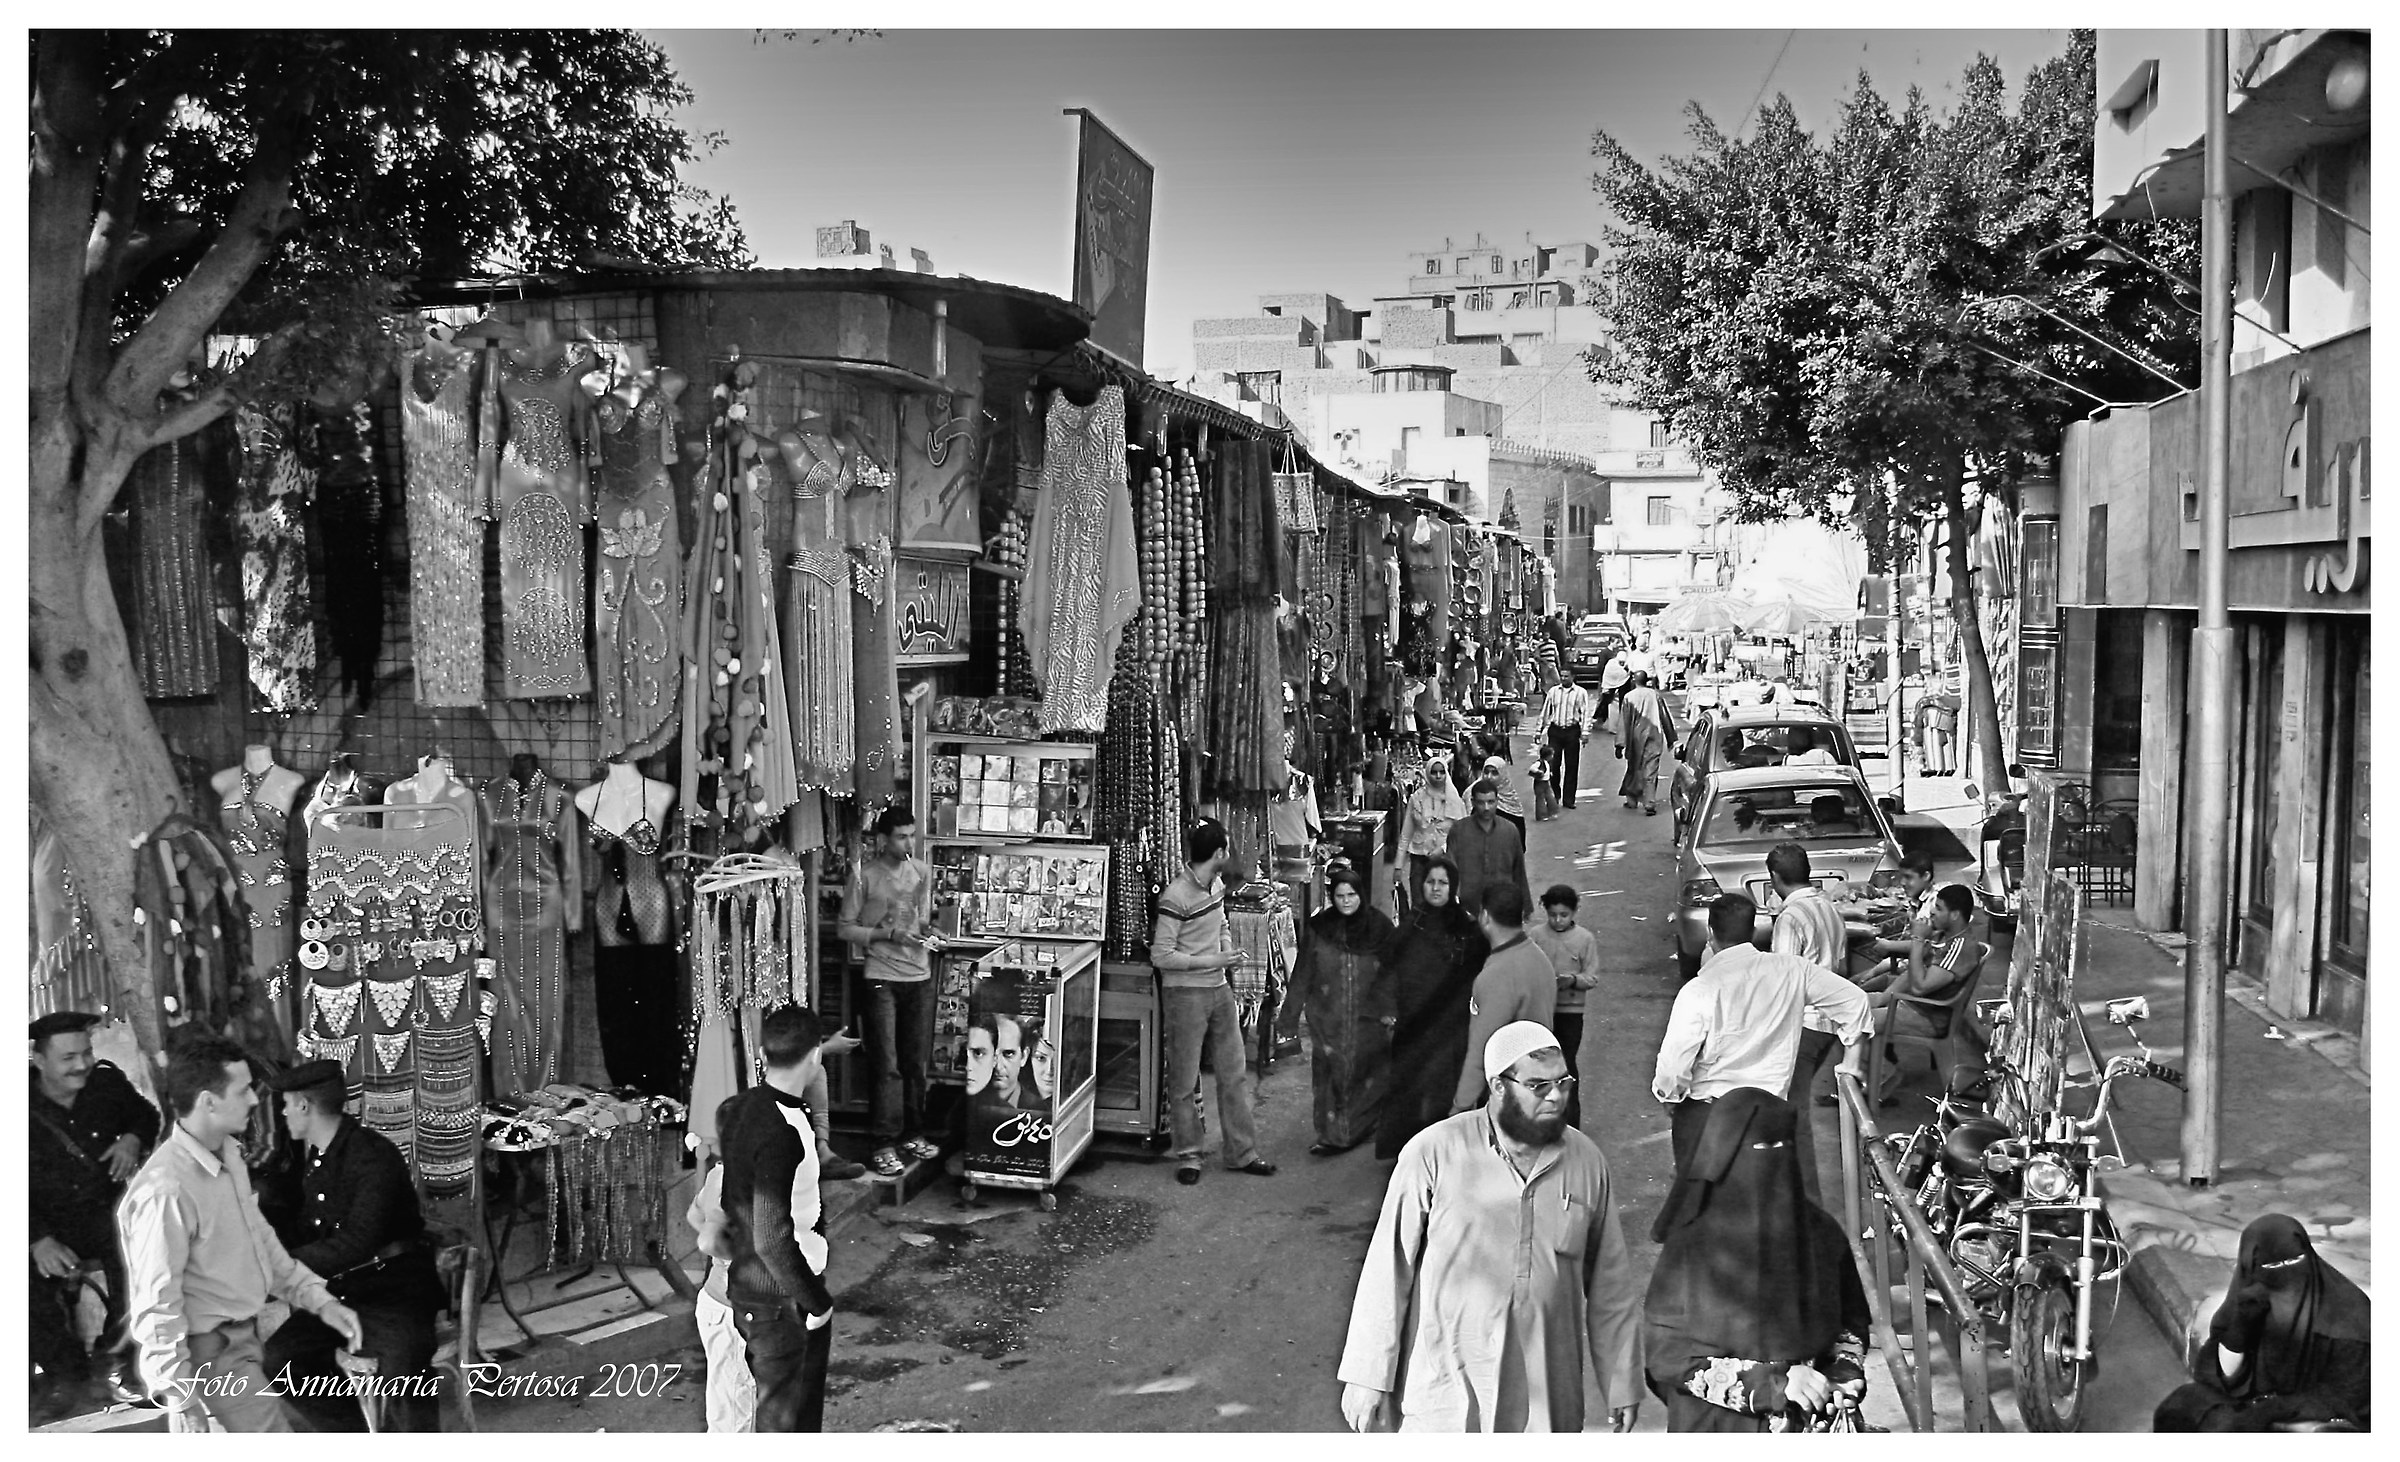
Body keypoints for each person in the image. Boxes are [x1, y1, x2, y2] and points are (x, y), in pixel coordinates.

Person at [1339, 1022, 1641, 1433]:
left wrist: (1621, 1382)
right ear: (1499, 1086)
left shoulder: (1586, 1161)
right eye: (1538, 1086)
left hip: (1546, 1394)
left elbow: (1611, 1285)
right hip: (1447, 1391)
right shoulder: (1434, 1153)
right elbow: (1388, 1267)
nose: (1556, 1096)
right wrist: (1367, 1375)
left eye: (1563, 1083)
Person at [118, 1031, 363, 1432]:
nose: (255, 1099)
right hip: (211, 1350)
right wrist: (180, 1397)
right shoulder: (166, 1190)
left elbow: (259, 1239)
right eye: (245, 1089)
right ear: (209, 1102)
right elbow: (156, 1302)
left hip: (243, 1339)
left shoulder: (228, 1151)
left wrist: (318, 1300)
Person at [1644, 1088, 1871, 1432]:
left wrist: (1843, 1371)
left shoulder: (1822, 1234)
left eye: (1784, 1148)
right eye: (1761, 1150)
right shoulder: (1691, 1248)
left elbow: (1849, 1324)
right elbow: (1667, 1356)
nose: (1774, 1162)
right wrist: (1770, 1385)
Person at [259, 1060, 446, 1432]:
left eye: (285, 1104)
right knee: (282, 1359)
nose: (281, 1113)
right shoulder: (315, 1158)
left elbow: (358, 1241)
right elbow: (306, 1227)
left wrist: (281, 1267)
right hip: (345, 1293)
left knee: (403, 1377)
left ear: (304, 1106)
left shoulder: (373, 1156)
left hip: (395, 1291)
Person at [1653, 894, 1871, 1173]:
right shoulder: (1793, 970)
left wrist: (1670, 1097)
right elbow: (1855, 1002)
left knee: (1698, 1206)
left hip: (1710, 1116)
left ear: (1710, 933)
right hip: (1769, 1116)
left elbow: (1674, 1066)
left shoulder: (1699, 989)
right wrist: (1851, 1061)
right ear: (1753, 932)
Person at [29, 1011, 157, 1416]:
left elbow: (146, 1115)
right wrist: (36, 1239)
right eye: (68, 1058)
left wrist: (133, 1139)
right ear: (39, 1059)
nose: (81, 1065)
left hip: (105, 1211)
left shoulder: (106, 1083)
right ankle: (62, 1375)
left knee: (143, 1261)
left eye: (85, 1053)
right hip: (41, 1218)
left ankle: (117, 1362)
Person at [716, 1005, 837, 1432]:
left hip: (749, 1288)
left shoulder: (736, 1109)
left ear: (762, 1054)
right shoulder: (783, 1132)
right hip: (783, 1300)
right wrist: (816, 1303)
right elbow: (772, 1237)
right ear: (815, 1057)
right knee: (789, 1429)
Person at [2153, 1213, 2371, 1432]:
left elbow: (2348, 1396)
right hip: (2256, 1406)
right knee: (2183, 1404)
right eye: (2272, 1266)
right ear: (2250, 1268)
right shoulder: (2250, 1301)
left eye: (2294, 1260)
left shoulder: (2349, 1313)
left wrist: (2272, 1411)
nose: (2286, 1272)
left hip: (2319, 1418)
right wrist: (2239, 1329)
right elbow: (2217, 1376)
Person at [1150, 820, 1276, 1186]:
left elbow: (1219, 921)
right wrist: (1214, 961)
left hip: (1218, 989)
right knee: (1185, 1080)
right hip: (1186, 993)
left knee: (1233, 1073)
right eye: (1227, 848)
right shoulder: (1176, 896)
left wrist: (1225, 951)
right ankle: (1189, 1154)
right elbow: (1162, 955)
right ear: (1218, 853)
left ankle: (1242, 1152)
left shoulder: (1216, 884)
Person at [837, 806, 944, 1179]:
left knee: (915, 1061)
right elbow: (845, 928)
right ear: (882, 839)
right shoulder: (864, 876)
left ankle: (913, 1132)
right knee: (887, 1063)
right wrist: (886, 935)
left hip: (919, 974)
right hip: (881, 974)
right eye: (901, 836)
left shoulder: (921, 872)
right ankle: (883, 1142)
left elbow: (923, 918)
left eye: (912, 835)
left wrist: (934, 933)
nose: (908, 843)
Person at [1377, 857, 1488, 1158]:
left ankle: (1447, 1154)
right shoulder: (1410, 926)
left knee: (1444, 1091)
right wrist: (1389, 1010)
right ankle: (1409, 1153)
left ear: (1453, 887)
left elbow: (1480, 973)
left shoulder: (1467, 929)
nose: (1435, 888)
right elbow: (1387, 970)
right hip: (1412, 1024)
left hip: (1451, 1028)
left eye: (1442, 883)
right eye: (1430, 882)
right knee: (1409, 1090)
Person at [1763, 844, 1850, 1201]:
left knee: (1793, 1114)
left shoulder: (1791, 917)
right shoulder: (1828, 907)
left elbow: (1783, 981)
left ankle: (1805, 1199)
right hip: (1828, 1022)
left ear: (1774, 878)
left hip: (1806, 1023)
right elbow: (1841, 968)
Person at [1300, 863, 1397, 1156]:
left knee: (1366, 1076)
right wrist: (1291, 1015)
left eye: (1351, 895)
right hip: (1328, 1018)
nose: (1345, 901)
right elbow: (1304, 971)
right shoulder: (1320, 928)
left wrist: (1390, 1009)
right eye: (1340, 896)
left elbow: (1393, 970)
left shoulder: (1379, 927)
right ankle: (1332, 1136)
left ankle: (1360, 1128)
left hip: (1368, 1018)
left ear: (1360, 895)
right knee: (1330, 1075)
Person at [1865, 884, 1984, 1103]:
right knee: (1852, 1005)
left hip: (1925, 1015)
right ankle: (1879, 1074)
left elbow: (1920, 986)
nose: (1931, 912)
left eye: (1938, 908)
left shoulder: (1961, 948)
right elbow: (1921, 958)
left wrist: (1919, 940)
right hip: (1912, 1003)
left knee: (1853, 1021)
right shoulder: (1946, 937)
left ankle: (1885, 1075)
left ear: (1955, 914)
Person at [1450, 884, 1557, 1114]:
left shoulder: (1495, 976)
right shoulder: (1540, 960)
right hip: (1541, 1088)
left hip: (1510, 1100)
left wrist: (1460, 1106)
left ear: (1485, 916)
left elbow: (1481, 1053)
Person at [685, 1143, 754, 1432]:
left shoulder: (719, 1174)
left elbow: (694, 1217)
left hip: (716, 1305)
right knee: (734, 1413)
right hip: (731, 1310)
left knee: (730, 1401)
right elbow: (709, 1240)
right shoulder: (749, 1183)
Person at [1529, 885, 1601, 1132]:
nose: (1558, 920)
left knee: (1566, 1066)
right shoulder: (1536, 936)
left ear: (1574, 912)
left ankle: (1571, 1126)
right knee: (1540, 1067)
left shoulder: (1585, 939)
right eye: (1553, 915)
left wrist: (1573, 980)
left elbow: (1591, 977)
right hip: (1543, 1012)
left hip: (1570, 1012)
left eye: (1564, 915)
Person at [1445, 778, 1531, 919]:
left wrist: (1525, 906)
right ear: (1473, 802)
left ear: (1497, 801)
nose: (1486, 808)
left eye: (1490, 802)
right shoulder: (1458, 830)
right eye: (1481, 802)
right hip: (1468, 909)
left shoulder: (1510, 830)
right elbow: (1450, 869)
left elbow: (1519, 871)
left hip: (1502, 907)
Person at [1394, 761, 1467, 912]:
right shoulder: (1417, 798)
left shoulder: (1455, 800)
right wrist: (1398, 866)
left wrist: (1442, 849)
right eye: (1434, 772)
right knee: (1419, 905)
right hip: (1419, 859)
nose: (1438, 776)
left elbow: (1462, 833)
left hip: (1447, 859)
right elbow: (1406, 835)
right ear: (1427, 773)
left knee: (1445, 903)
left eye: (1441, 772)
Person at [1617, 670, 1676, 817]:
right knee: (1651, 770)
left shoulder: (1629, 697)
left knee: (1634, 768)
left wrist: (1620, 744)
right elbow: (1664, 717)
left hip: (1635, 739)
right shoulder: (1655, 695)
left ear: (1634, 681)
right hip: (1654, 737)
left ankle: (1632, 800)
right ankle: (1649, 802)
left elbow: (1623, 722)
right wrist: (1671, 739)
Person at [1536, 672, 1594, 810]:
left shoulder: (1580, 693)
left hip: (1572, 731)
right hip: (1555, 731)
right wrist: (1539, 730)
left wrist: (1585, 732)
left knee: (1571, 766)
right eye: (1562, 675)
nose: (1563, 678)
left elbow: (1585, 713)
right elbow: (1545, 711)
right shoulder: (1553, 692)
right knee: (1553, 765)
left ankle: (1569, 799)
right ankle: (1555, 795)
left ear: (1573, 677)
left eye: (1567, 676)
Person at [1479, 753, 1528, 844]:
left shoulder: (1510, 800)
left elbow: (1519, 839)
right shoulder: (1472, 794)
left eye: (1494, 773)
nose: (1489, 777)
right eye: (1486, 772)